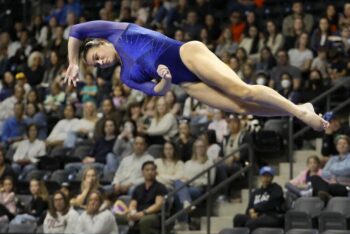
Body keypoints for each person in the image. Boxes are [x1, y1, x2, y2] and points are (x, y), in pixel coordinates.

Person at [65, 20, 328, 132]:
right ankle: (298, 111)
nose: (101, 62)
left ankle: (300, 111)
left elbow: (76, 30)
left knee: (242, 91)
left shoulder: (117, 31)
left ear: (101, 42)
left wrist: (74, 62)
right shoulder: (126, 76)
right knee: (241, 107)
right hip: (186, 83)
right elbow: (158, 92)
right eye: (96, 66)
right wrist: (166, 81)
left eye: (97, 56)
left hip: (186, 54)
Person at [127, 161, 168, 234]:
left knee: (144, 220)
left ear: (156, 172)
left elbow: (158, 205)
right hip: (138, 212)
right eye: (147, 170)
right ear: (142, 172)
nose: (150, 172)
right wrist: (132, 212)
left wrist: (143, 213)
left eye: (152, 170)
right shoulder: (138, 188)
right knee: (120, 218)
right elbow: (133, 203)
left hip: (154, 214)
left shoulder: (160, 187)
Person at [311, 135, 350, 202]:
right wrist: (336, 174)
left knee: (327, 187)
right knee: (314, 177)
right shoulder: (333, 159)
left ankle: (326, 194)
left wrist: (332, 170)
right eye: (339, 143)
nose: (342, 145)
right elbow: (324, 173)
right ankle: (326, 194)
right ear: (336, 146)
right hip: (331, 184)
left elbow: (347, 170)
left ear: (349, 145)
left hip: (345, 186)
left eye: (344, 143)